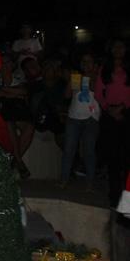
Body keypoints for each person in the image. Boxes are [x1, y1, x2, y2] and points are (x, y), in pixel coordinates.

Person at [56, 52, 99, 192]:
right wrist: (71, 80)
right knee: (68, 150)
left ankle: (90, 183)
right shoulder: (76, 77)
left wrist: (93, 74)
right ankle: (64, 180)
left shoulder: (99, 78)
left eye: (89, 61)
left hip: (90, 117)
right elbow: (67, 95)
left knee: (89, 151)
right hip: (74, 117)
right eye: (83, 61)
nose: (85, 64)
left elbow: (94, 88)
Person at [95, 37, 130, 207]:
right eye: (115, 46)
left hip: (127, 113)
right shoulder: (104, 69)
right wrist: (109, 108)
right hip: (109, 114)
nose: (118, 50)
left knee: (127, 156)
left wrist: (122, 107)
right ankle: (115, 195)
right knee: (112, 156)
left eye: (121, 46)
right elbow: (98, 93)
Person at [0, 51, 33, 179]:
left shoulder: (18, 78)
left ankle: (13, 161)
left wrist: (4, 91)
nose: (4, 65)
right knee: (8, 124)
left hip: (18, 111)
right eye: (1, 63)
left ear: (13, 65)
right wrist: (12, 93)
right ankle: (19, 161)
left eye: (6, 62)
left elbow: (23, 91)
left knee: (29, 127)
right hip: (3, 112)